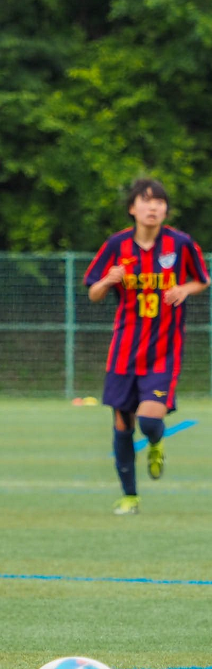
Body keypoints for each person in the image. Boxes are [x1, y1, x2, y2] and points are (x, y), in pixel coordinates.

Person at [84, 177, 208, 515]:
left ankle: (156, 442)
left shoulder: (180, 245)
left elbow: (202, 279)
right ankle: (130, 496)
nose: (153, 207)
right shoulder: (116, 246)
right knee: (122, 424)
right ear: (132, 208)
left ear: (165, 209)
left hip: (163, 352)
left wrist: (185, 289)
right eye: (146, 201)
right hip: (124, 352)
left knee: (150, 421)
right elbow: (93, 292)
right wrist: (108, 281)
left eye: (159, 201)